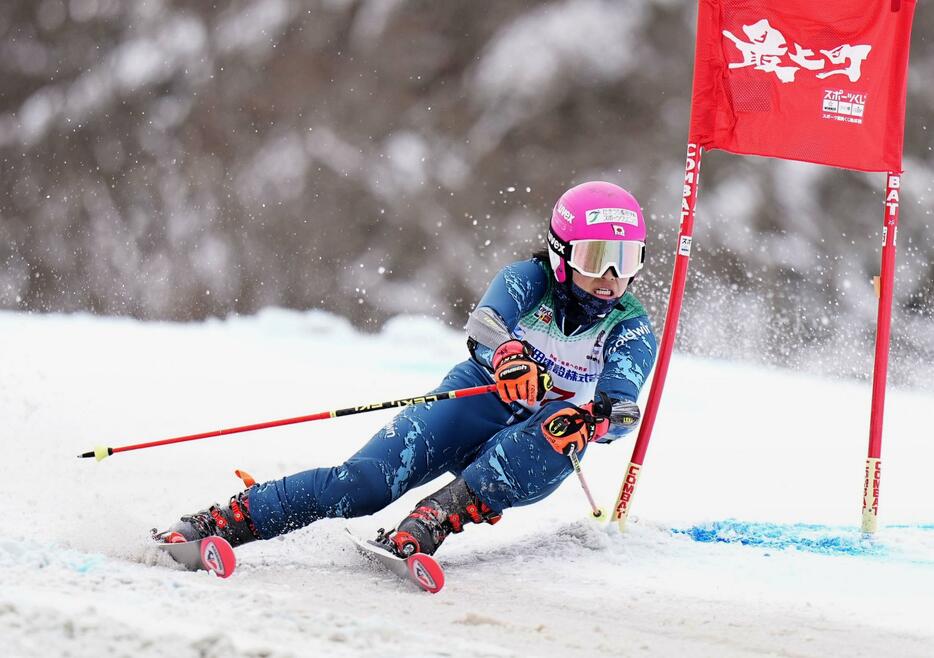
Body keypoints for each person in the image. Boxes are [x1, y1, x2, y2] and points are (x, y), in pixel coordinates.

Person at [155, 181, 658, 558]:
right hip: (475, 401)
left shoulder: (629, 326)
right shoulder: (529, 280)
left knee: (563, 430)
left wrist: (597, 420)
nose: (612, 279)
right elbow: (484, 323)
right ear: (562, 255)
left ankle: (431, 521)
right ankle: (224, 521)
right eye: (597, 259)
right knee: (362, 485)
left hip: (531, 444)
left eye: (626, 260)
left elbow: (623, 405)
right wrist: (508, 355)